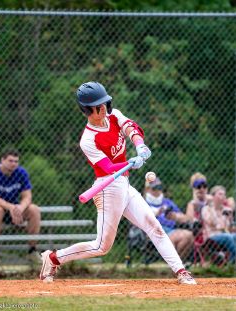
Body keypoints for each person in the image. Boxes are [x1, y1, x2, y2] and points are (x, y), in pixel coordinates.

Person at [39, 81, 196, 284]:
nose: (103, 108)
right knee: (101, 247)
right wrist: (129, 163)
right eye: (98, 106)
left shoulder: (113, 116)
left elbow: (130, 127)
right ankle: (53, 258)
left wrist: (139, 146)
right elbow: (106, 167)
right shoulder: (88, 139)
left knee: (154, 226)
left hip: (124, 185)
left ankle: (181, 271)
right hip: (108, 188)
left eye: (104, 103)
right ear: (87, 110)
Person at [0, 149, 41, 264]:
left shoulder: (21, 172)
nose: (14, 164)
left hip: (16, 210)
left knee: (34, 209)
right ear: (2, 160)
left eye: (16, 161)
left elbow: (27, 196)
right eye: (10, 160)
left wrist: (20, 208)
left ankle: (32, 251)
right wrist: (11, 207)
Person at [144, 176, 194, 261]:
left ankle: (176, 263)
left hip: (171, 230)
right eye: (155, 188)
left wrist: (175, 216)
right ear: (148, 189)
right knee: (180, 237)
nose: (158, 191)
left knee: (189, 236)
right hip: (154, 231)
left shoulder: (167, 202)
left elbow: (185, 218)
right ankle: (175, 265)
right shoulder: (143, 203)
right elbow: (141, 219)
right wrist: (156, 213)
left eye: (159, 187)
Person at [201, 185, 236, 264]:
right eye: (220, 194)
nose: (223, 196)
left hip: (226, 235)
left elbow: (229, 228)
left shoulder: (227, 210)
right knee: (228, 237)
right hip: (211, 237)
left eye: (224, 194)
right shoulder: (206, 209)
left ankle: (231, 263)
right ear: (212, 196)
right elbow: (211, 222)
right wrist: (212, 206)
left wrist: (230, 219)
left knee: (232, 236)